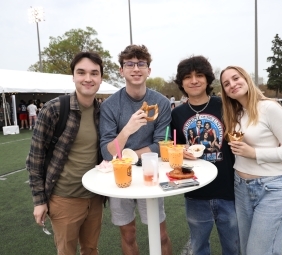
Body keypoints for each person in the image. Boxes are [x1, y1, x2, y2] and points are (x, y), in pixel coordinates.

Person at [26, 51, 105, 255]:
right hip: (64, 198)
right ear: (73, 77)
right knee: (66, 252)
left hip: (95, 197)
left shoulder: (103, 112)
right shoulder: (54, 110)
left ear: (101, 78)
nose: (88, 78)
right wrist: (39, 201)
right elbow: (35, 159)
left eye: (94, 73)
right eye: (81, 72)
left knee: (90, 249)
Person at [219, 65, 282, 255]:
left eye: (236, 78)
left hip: (270, 189)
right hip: (241, 188)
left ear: (246, 78)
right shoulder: (236, 114)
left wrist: (254, 153)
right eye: (226, 83)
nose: (232, 84)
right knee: (247, 250)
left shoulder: (269, 108)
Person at [100, 44, 172, 255]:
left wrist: (129, 155)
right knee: (128, 234)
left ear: (149, 70)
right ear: (121, 71)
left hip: (149, 173)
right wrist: (128, 129)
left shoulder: (161, 103)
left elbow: (161, 144)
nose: (136, 68)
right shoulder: (110, 105)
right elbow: (106, 152)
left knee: (160, 234)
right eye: (129, 64)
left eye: (141, 63)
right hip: (118, 176)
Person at [171, 55, 239, 254]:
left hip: (228, 190)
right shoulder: (177, 114)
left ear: (208, 79)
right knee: (199, 247)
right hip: (195, 191)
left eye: (199, 75)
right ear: (181, 82)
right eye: (188, 77)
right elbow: (174, 147)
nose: (194, 80)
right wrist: (181, 150)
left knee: (234, 246)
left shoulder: (225, 105)